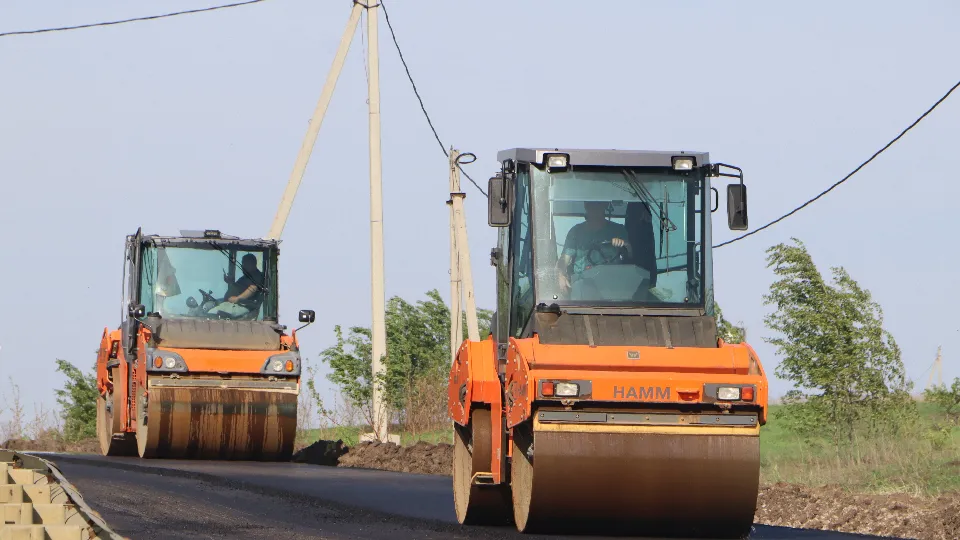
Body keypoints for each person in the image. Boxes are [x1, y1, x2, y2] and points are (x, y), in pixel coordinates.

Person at [556, 201, 633, 294]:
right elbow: (564, 259)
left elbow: (631, 257)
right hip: (582, 286)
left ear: (605, 205)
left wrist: (624, 244)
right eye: (591, 204)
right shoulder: (576, 232)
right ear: (585, 205)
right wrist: (561, 275)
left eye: (598, 204)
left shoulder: (619, 230)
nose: (595, 207)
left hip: (613, 287)